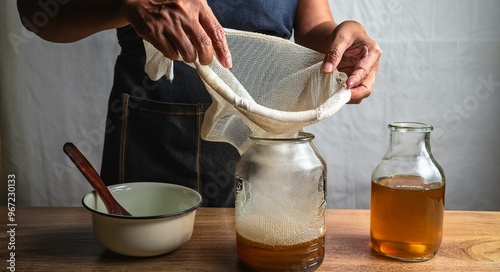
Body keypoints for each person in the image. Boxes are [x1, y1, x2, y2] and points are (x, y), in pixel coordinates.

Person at [17, 0, 381, 207]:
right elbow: (37, 13)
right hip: (155, 139)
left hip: (265, 143)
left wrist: (344, 47)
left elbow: (314, 25)